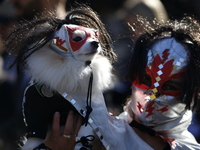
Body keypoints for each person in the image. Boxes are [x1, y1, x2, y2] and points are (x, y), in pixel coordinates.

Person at [118, 16, 200, 149]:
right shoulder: (102, 135)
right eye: (146, 79)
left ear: (192, 92)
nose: (153, 95)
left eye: (169, 86)